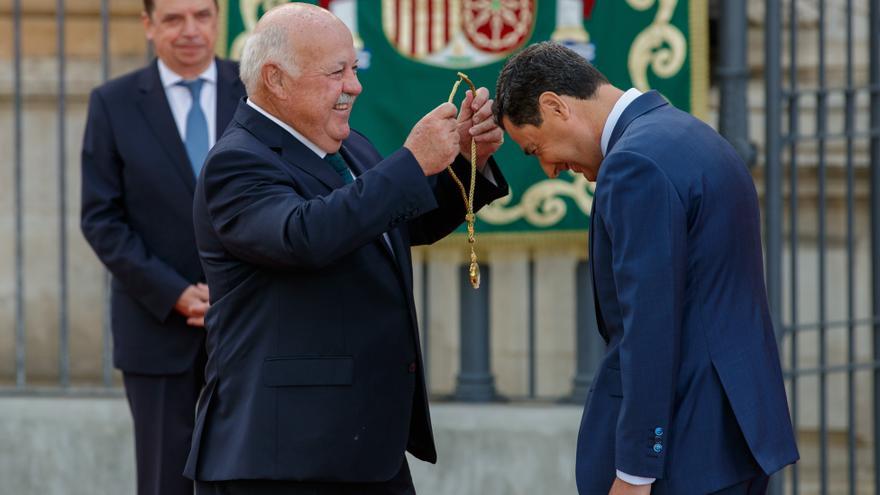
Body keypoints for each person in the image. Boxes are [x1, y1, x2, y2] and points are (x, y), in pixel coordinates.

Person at [184, 4, 507, 494]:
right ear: (276, 79)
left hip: (364, 446)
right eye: (337, 72)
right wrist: (411, 163)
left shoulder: (350, 146)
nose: (354, 86)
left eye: (353, 69)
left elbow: (396, 225)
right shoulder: (237, 161)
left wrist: (464, 157)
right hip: (283, 457)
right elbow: (303, 237)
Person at [493, 42, 799, 495]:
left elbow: (650, 328)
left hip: (686, 454)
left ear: (555, 106)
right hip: (736, 438)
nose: (550, 169)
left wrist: (636, 471)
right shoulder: (688, 134)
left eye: (535, 148)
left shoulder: (633, 164)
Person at [79, 0, 244, 493]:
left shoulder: (257, 91)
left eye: (201, 15)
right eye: (173, 18)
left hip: (247, 320)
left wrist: (235, 288)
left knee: (252, 473)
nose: (189, 30)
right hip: (155, 327)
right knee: (163, 479)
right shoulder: (113, 102)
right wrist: (173, 292)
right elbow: (101, 219)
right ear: (148, 26)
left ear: (218, 19)